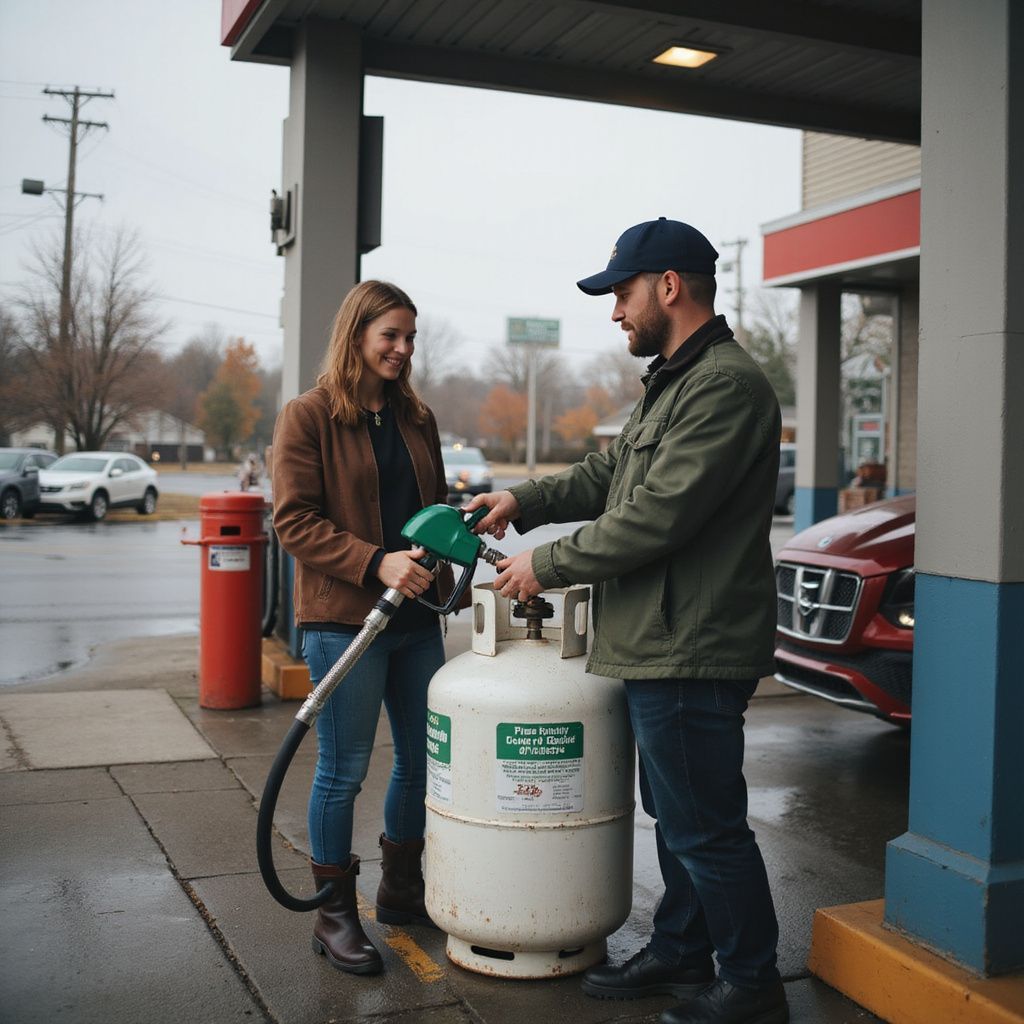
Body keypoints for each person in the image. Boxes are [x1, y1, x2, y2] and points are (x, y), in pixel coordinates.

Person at [466, 218, 788, 1024]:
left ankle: (751, 985)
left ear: (668, 286)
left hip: (692, 646)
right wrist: (524, 500)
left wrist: (545, 563)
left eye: (621, 292)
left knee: (707, 828)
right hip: (659, 642)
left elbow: (655, 516)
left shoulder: (723, 386)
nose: (615, 311)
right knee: (677, 818)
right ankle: (684, 950)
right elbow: (612, 472)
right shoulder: (675, 382)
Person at [271, 280, 463, 976]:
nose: (403, 349)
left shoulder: (418, 418)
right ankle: (333, 913)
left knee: (421, 760)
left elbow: (433, 509)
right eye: (391, 336)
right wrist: (374, 563)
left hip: (416, 620)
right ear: (357, 335)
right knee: (343, 770)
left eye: (411, 337)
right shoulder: (310, 416)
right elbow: (292, 522)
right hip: (345, 620)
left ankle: (403, 890)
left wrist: (450, 568)